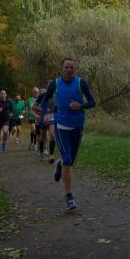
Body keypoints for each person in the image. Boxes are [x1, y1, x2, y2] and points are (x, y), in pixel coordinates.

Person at [40, 58, 96, 211]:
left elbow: (93, 102)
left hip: (77, 126)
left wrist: (81, 106)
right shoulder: (55, 84)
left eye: (72, 67)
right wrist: (46, 114)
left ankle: (59, 165)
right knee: (68, 159)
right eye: (66, 67)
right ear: (62, 68)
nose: (69, 70)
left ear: (75, 69)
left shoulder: (81, 83)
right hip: (61, 126)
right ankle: (69, 197)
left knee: (69, 162)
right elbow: (44, 101)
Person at [26, 87, 39, 151]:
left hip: (38, 118)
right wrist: (26, 111)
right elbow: (26, 107)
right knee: (34, 129)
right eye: (34, 92)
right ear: (32, 93)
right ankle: (33, 143)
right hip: (31, 117)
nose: (36, 93)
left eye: (37, 92)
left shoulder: (40, 99)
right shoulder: (29, 99)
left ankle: (32, 143)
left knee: (34, 131)